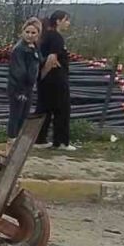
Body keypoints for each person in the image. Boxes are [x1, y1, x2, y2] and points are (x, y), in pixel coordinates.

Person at [35, 9, 74, 151]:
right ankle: (61, 141)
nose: (68, 23)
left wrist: (41, 78)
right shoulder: (56, 37)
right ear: (58, 21)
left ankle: (39, 139)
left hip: (46, 80)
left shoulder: (46, 36)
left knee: (44, 109)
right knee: (62, 109)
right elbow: (52, 58)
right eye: (66, 20)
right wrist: (47, 72)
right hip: (56, 79)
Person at [6, 18, 43, 143]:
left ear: (38, 34)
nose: (29, 35)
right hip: (18, 87)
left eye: (33, 33)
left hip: (29, 88)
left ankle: (18, 138)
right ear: (23, 32)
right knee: (16, 114)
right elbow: (19, 71)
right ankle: (11, 139)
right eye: (27, 32)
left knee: (24, 114)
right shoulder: (20, 49)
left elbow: (39, 63)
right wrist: (20, 91)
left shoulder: (34, 48)